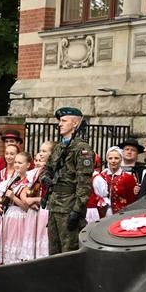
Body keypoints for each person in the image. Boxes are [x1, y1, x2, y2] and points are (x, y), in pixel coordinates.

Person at [44, 107, 94, 255]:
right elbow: (47, 168)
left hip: (69, 206)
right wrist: (45, 177)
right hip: (54, 205)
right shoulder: (59, 147)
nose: (60, 124)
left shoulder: (82, 149)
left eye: (64, 121)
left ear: (75, 124)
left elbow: (84, 184)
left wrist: (77, 210)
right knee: (54, 249)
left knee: (68, 249)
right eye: (60, 121)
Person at [0, 152, 32, 264]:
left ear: (28, 165)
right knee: (6, 246)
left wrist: (13, 197)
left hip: (21, 218)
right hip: (9, 216)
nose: (17, 165)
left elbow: (27, 207)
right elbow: (2, 196)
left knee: (17, 245)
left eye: (20, 162)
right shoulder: (12, 180)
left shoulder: (29, 182)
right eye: (15, 162)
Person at [21, 143, 54, 260]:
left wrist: (34, 199)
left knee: (43, 241)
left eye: (44, 151)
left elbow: (53, 196)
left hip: (46, 211)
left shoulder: (55, 172)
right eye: (40, 150)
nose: (40, 154)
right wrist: (26, 199)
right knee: (32, 242)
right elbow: (23, 189)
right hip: (34, 211)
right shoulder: (35, 172)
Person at [97, 147, 138, 216]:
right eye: (110, 158)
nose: (113, 161)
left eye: (116, 158)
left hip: (120, 214)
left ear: (121, 159)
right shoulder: (101, 177)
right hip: (101, 214)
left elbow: (132, 200)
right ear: (107, 160)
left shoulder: (128, 177)